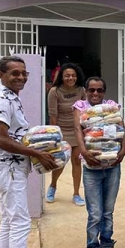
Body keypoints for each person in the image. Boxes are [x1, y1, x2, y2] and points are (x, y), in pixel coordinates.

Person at [0, 56, 58, 248]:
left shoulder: (11, 96)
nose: (21, 77)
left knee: (10, 221)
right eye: (15, 73)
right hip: (8, 168)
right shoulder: (2, 100)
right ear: (1, 75)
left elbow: (13, 134)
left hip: (10, 167)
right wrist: (35, 153)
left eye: (24, 73)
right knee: (20, 223)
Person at [73, 77, 125, 248]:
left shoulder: (111, 106)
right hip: (91, 166)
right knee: (95, 212)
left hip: (112, 166)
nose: (95, 93)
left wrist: (123, 149)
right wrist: (84, 152)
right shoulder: (80, 107)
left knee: (108, 211)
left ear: (104, 92)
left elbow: (121, 127)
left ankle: (106, 244)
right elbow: (78, 130)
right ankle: (92, 247)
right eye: (91, 90)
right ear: (86, 91)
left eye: (99, 90)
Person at [46, 63, 87, 205]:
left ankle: (76, 194)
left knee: (77, 161)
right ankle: (53, 185)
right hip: (62, 132)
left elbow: (85, 111)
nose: (71, 78)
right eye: (67, 75)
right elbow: (53, 116)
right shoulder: (54, 91)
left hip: (77, 130)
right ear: (62, 77)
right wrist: (54, 137)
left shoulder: (81, 90)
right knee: (61, 162)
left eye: (73, 75)